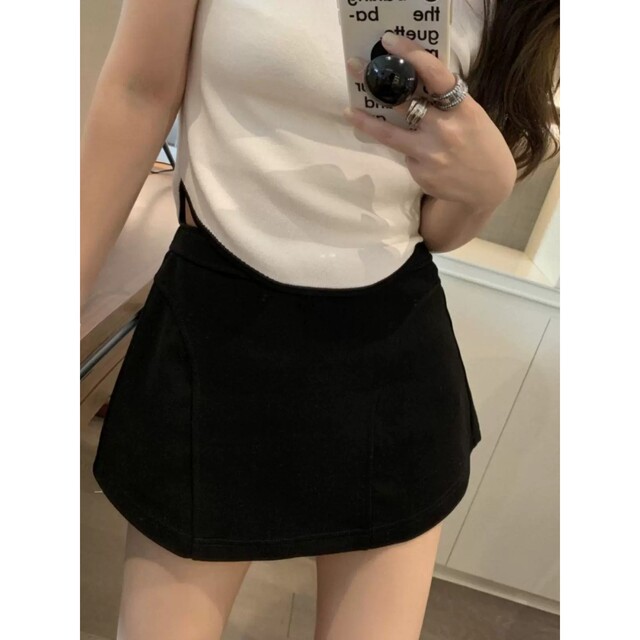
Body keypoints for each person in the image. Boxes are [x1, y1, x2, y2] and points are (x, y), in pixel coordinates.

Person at [80, 0, 559, 638]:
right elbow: (137, 92)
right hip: (215, 334)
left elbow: (432, 228)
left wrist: (488, 188)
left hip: (390, 351)